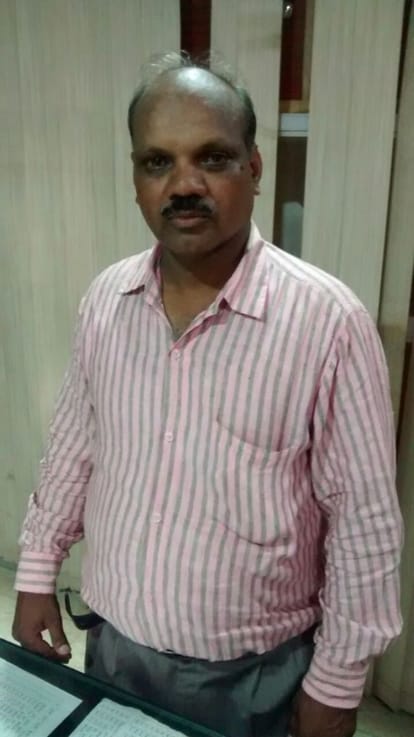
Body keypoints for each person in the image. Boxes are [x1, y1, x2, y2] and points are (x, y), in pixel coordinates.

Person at [12, 52, 403, 737]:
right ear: (136, 178)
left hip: (253, 678)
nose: (183, 184)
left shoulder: (328, 323)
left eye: (212, 158)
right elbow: (74, 450)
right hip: (112, 644)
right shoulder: (107, 300)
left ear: (254, 167)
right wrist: (37, 573)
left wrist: (338, 684)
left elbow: (363, 523)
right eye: (157, 162)